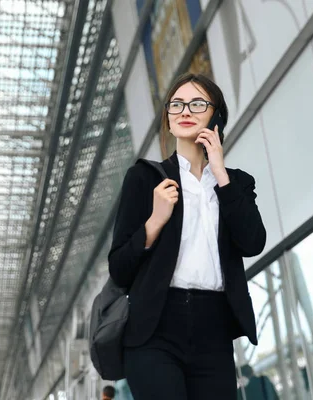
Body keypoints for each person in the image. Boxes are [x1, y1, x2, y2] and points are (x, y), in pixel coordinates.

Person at [108, 73, 266, 400]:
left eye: (197, 103)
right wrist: (155, 221)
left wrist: (221, 175)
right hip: (155, 328)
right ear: (168, 118)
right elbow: (120, 269)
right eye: (176, 104)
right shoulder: (144, 178)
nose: (185, 110)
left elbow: (253, 242)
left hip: (214, 330)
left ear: (216, 116)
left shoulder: (235, 183)